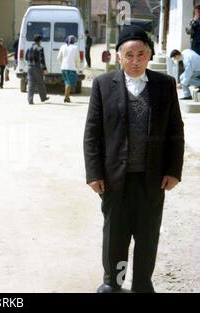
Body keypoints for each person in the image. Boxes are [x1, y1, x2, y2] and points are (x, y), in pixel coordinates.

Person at [83, 25, 184, 293]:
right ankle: (113, 285)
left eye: (141, 54)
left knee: (147, 235)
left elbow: (176, 130)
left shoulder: (163, 85)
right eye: (129, 55)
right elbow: (92, 133)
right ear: (119, 57)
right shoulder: (103, 85)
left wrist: (174, 171)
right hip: (115, 180)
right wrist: (94, 174)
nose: (135, 61)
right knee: (115, 235)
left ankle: (141, 284)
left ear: (149, 55)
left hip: (152, 179)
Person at [25, 34, 49, 104]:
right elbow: (42, 60)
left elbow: (26, 58)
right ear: (40, 40)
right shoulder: (40, 48)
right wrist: (44, 68)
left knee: (31, 83)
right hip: (37, 68)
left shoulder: (29, 48)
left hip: (29, 67)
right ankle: (43, 97)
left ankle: (30, 99)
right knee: (40, 83)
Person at [57, 35, 80, 103]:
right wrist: (78, 66)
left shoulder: (63, 46)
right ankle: (66, 97)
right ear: (74, 41)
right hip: (71, 68)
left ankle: (67, 97)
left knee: (67, 82)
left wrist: (62, 64)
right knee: (69, 83)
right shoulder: (75, 48)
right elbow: (77, 58)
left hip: (64, 67)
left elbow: (58, 57)